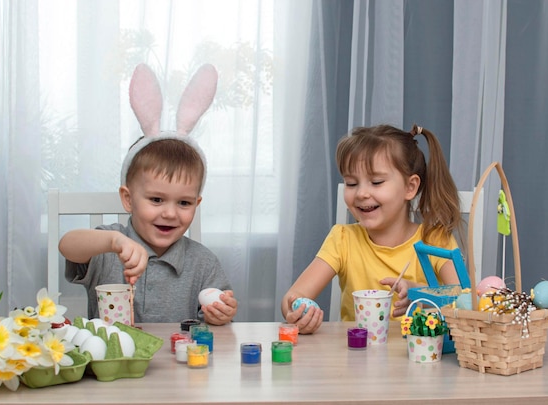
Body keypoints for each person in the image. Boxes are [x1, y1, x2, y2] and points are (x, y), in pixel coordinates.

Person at [60, 63, 237, 325]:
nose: (169, 212)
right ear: (128, 199)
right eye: (156, 199)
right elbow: (67, 245)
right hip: (111, 365)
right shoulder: (108, 248)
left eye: (184, 202)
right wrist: (113, 241)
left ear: (197, 204)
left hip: (179, 365)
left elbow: (215, 331)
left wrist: (220, 316)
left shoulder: (203, 263)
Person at [281, 124, 464, 334]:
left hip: (419, 359)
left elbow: (465, 304)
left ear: (410, 187)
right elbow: (293, 296)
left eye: (376, 182)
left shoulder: (435, 241)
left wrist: (421, 296)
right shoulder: (342, 239)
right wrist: (295, 312)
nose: (361, 193)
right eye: (351, 183)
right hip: (356, 358)